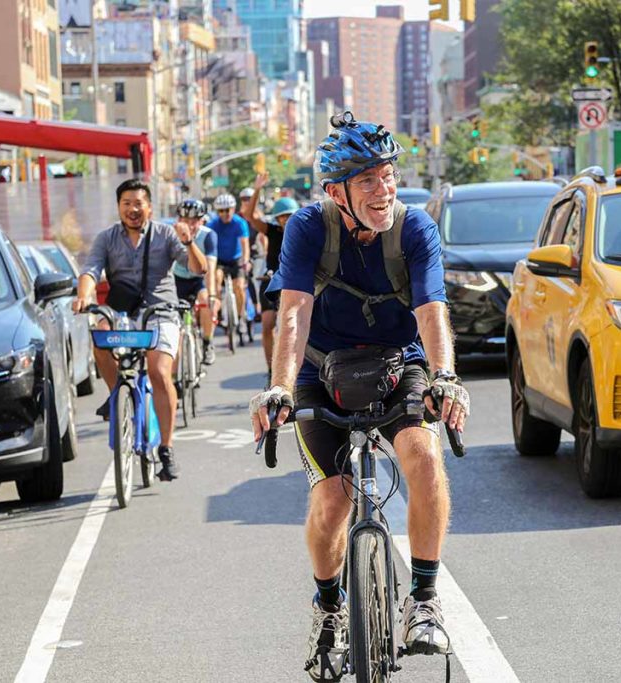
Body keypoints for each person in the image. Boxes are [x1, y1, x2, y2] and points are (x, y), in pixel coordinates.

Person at [248, 112, 470, 682]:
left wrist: (445, 375)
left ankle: (423, 599)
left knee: (422, 457)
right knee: (333, 502)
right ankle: (328, 612)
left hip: (402, 366)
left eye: (388, 174)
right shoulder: (306, 228)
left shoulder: (414, 229)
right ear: (335, 191)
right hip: (320, 371)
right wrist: (277, 386)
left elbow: (431, 312)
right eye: (367, 179)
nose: (384, 188)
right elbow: (293, 314)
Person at [73, 179, 207, 481]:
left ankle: (166, 449)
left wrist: (188, 242)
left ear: (149, 206)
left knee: (159, 371)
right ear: (119, 207)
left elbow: (199, 268)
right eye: (126, 204)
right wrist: (84, 296)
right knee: (100, 335)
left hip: (162, 312)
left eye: (138, 203)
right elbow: (90, 270)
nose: (133, 209)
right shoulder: (106, 238)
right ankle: (116, 393)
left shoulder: (165, 234)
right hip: (123, 313)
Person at [244, 184, 298, 386]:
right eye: (282, 216)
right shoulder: (272, 231)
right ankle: (271, 369)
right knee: (267, 324)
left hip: (293, 284)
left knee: (293, 326)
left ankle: (295, 366)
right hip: (271, 282)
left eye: (290, 216)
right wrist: (257, 190)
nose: (286, 220)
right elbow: (250, 216)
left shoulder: (302, 232)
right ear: (277, 219)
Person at [172, 199, 219, 365]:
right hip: (177, 279)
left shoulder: (208, 235)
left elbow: (210, 268)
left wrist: (212, 295)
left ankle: (207, 343)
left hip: (199, 280)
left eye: (194, 222)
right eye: (185, 221)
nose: (189, 226)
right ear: (178, 220)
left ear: (202, 221)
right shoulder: (171, 233)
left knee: (207, 303)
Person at [207, 193, 251, 338]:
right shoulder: (212, 224)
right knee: (217, 280)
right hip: (219, 260)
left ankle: (240, 317)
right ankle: (219, 314)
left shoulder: (240, 223)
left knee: (239, 286)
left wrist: (245, 261)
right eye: (221, 211)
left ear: (233, 209)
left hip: (236, 259)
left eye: (228, 210)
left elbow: (245, 244)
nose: (225, 213)